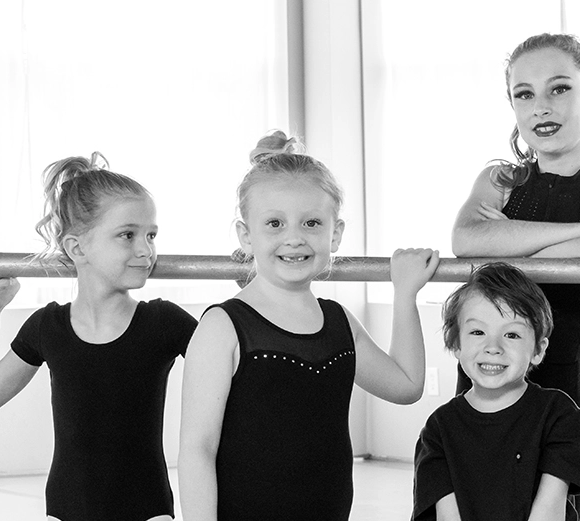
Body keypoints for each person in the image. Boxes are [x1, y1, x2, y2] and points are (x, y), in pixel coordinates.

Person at [179, 132, 438, 520]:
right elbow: (197, 449)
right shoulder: (224, 327)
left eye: (312, 222)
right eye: (275, 224)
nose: (294, 238)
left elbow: (405, 385)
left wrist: (405, 294)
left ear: (335, 234)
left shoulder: (338, 322)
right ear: (246, 235)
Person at [0, 154, 194, 521]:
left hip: (148, 511)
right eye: (127, 235)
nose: (146, 250)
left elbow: (240, 378)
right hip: (67, 510)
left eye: (151, 235)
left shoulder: (164, 322)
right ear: (77, 248)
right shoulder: (47, 327)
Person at [451, 33, 580, 426]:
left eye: (559, 89)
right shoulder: (500, 180)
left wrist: (512, 245)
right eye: (524, 94)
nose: (541, 108)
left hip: (559, 391)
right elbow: (466, 239)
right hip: (481, 379)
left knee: (556, 490)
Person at [412, 263, 580, 521]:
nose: (493, 346)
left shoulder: (559, 415)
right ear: (455, 343)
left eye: (512, 335)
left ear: (538, 350)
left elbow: (549, 513)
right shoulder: (439, 429)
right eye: (477, 332)